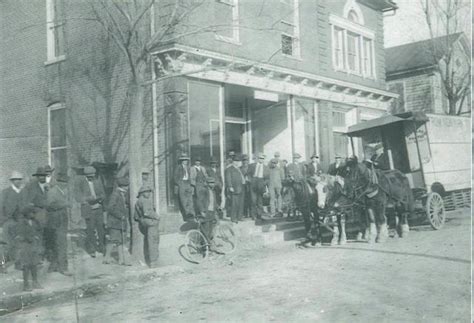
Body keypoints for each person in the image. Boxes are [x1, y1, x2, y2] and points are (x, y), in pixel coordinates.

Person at [76, 166, 106, 258]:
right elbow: (77, 197)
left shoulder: (97, 181)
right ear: (85, 176)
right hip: (88, 210)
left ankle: (102, 247)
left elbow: (103, 194)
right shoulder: (81, 183)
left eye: (92, 176)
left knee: (101, 229)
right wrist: (88, 199)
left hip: (98, 209)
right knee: (90, 230)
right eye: (89, 176)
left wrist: (98, 198)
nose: (91, 178)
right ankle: (92, 249)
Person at [46, 173, 72, 275]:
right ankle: (64, 268)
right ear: (59, 183)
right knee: (61, 244)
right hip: (56, 222)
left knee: (59, 244)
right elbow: (49, 205)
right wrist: (64, 204)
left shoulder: (64, 192)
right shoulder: (53, 192)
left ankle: (55, 265)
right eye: (64, 182)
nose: (66, 184)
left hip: (62, 221)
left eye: (66, 182)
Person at [15, 205, 43, 291]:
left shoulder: (34, 222)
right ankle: (26, 285)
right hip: (25, 246)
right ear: (26, 213)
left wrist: (37, 238)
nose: (33, 214)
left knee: (34, 264)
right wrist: (31, 238)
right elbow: (21, 234)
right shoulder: (21, 222)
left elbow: (39, 230)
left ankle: (35, 282)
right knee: (26, 265)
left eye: (34, 213)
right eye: (32, 213)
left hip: (34, 246)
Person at [104, 177, 132, 266]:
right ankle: (107, 257)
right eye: (126, 186)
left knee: (119, 241)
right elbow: (110, 208)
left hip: (119, 221)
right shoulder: (115, 194)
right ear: (122, 186)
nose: (127, 188)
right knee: (113, 240)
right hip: (114, 221)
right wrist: (120, 215)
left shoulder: (122, 194)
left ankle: (120, 260)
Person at [1, 171, 26, 265]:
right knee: (5, 244)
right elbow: (1, 207)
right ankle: (2, 265)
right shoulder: (6, 192)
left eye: (20, 179)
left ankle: (19, 263)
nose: (18, 181)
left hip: (20, 221)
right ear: (12, 181)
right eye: (16, 180)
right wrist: (2, 222)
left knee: (19, 242)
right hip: (8, 221)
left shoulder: (24, 192)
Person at [24, 167, 49, 259]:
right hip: (38, 214)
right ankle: (38, 256)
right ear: (37, 177)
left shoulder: (48, 186)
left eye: (44, 176)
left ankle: (45, 254)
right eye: (40, 176)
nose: (42, 177)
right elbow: (29, 202)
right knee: (38, 236)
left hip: (48, 214)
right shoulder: (32, 187)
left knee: (47, 235)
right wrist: (31, 215)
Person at [134, 185, 160, 268]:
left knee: (148, 241)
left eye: (149, 192)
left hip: (143, 223)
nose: (149, 193)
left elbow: (136, 216)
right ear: (142, 193)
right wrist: (157, 216)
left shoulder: (138, 201)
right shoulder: (145, 201)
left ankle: (148, 259)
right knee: (153, 241)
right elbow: (147, 213)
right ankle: (153, 262)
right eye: (147, 192)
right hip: (151, 223)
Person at [247, 153, 270, 220]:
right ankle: (253, 215)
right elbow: (248, 174)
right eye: (260, 158)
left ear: (264, 159)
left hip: (261, 183)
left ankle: (259, 215)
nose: (261, 160)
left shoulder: (266, 167)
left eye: (262, 158)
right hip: (253, 182)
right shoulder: (252, 165)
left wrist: (264, 183)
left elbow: (268, 178)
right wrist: (250, 180)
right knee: (253, 200)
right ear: (257, 158)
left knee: (260, 201)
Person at [224, 155, 245, 223]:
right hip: (234, 188)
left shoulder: (239, 169)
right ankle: (233, 218)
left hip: (241, 188)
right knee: (234, 204)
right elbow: (228, 178)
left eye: (238, 161)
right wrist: (230, 186)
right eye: (235, 161)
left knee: (240, 203)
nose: (237, 162)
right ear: (232, 161)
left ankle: (239, 216)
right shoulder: (229, 169)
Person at [174, 154, 194, 222]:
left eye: (186, 160)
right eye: (184, 160)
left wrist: (190, 184)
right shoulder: (178, 167)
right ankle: (187, 215)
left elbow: (190, 176)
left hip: (187, 183)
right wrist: (179, 183)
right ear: (181, 161)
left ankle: (191, 214)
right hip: (182, 183)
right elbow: (175, 177)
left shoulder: (188, 168)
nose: (185, 161)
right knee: (184, 200)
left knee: (190, 199)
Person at [199, 177, 219, 246]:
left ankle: (209, 246)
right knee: (205, 230)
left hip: (212, 212)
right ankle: (204, 247)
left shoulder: (213, 191)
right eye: (210, 183)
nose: (212, 184)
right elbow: (200, 201)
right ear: (207, 183)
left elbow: (214, 201)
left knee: (211, 229)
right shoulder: (204, 191)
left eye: (213, 183)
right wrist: (202, 211)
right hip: (206, 212)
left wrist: (217, 207)